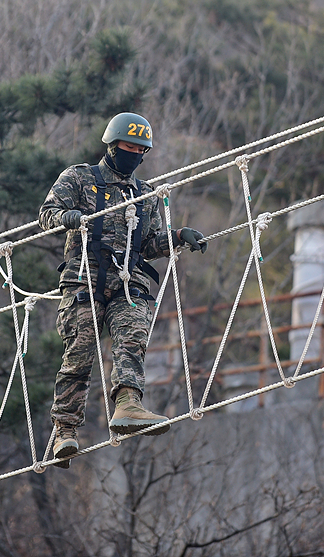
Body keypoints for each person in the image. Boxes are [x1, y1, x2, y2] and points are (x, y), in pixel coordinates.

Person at [38, 112, 207, 468]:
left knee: (132, 336)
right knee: (80, 353)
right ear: (112, 145)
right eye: (127, 147)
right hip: (85, 277)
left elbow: (147, 245)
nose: (133, 154)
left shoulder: (144, 195)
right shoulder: (80, 178)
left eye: (139, 150)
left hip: (127, 282)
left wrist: (177, 238)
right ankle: (64, 431)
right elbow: (47, 213)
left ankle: (128, 404)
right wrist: (67, 217)